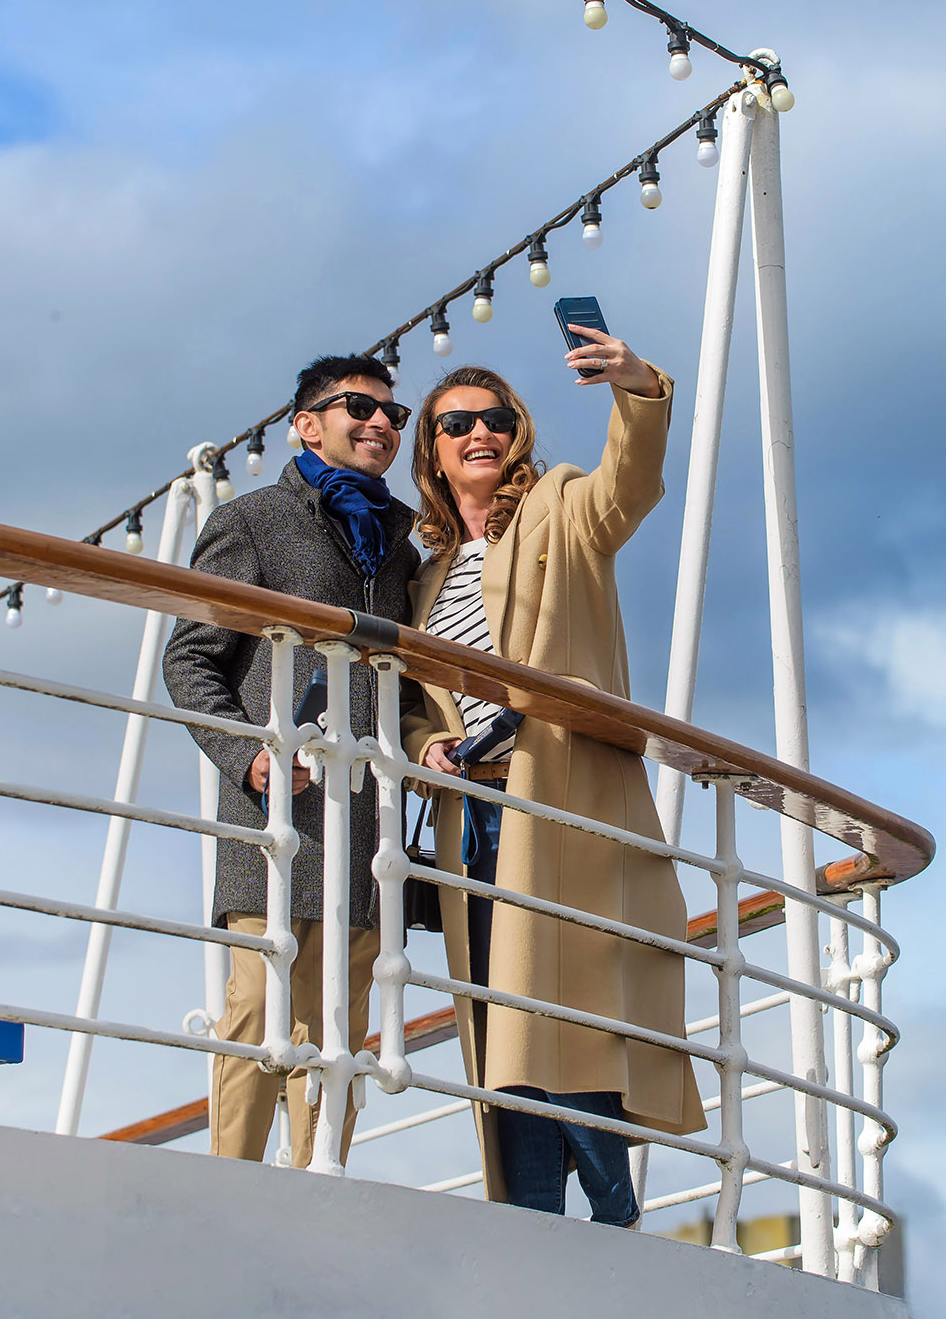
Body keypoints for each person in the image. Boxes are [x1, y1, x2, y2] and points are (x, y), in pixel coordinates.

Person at [400, 324, 705, 1224]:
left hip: (559, 794)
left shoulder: (561, 506)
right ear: (434, 452)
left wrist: (637, 384)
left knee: (562, 1014)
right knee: (504, 1029)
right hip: (475, 814)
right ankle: (532, 1227)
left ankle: (612, 1220)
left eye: (495, 418)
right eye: (456, 425)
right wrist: (424, 744)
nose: (478, 434)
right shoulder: (426, 577)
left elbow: (630, 487)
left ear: (519, 429)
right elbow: (419, 701)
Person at [163, 353, 421, 1168]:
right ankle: (224, 1191)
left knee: (342, 1021)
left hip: (365, 827)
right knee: (255, 1008)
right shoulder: (253, 520)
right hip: (274, 813)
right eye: (359, 406)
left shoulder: (398, 545)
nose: (381, 421)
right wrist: (251, 758)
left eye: (393, 413)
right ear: (306, 424)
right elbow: (192, 658)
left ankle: (323, 1190)